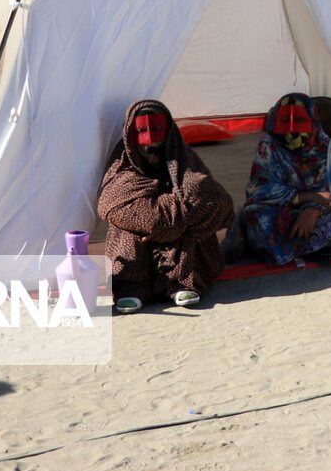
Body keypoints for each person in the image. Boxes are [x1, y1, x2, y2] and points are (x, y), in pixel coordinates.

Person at [97, 100, 232, 313]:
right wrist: (165, 218)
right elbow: (112, 203)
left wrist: (168, 223)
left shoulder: (185, 158)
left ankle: (182, 283)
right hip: (140, 242)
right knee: (127, 227)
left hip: (180, 241)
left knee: (190, 220)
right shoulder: (122, 166)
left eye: (157, 129)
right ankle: (131, 288)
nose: (150, 141)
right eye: (142, 131)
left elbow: (216, 200)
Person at [237, 93, 331, 265]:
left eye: (301, 130)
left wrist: (314, 210)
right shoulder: (269, 147)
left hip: (323, 216)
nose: (292, 137)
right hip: (284, 214)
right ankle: (320, 249)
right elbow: (258, 190)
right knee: (254, 214)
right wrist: (307, 197)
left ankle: (293, 249)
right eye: (286, 128)